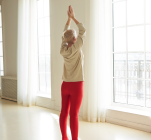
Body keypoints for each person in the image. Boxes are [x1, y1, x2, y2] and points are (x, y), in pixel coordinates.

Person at [59, 5, 86, 140]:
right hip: (76, 86)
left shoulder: (63, 48)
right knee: (74, 115)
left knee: (64, 112)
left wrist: (68, 20)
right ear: (75, 39)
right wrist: (73, 17)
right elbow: (83, 30)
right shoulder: (78, 46)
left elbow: (65, 33)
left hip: (65, 85)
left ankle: (64, 137)